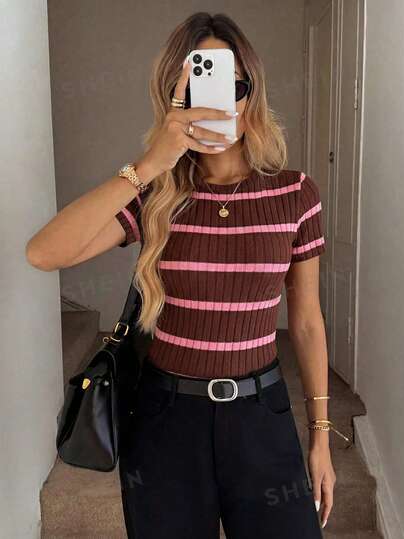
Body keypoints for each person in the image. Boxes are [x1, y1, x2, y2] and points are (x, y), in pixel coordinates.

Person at [26, 11, 338, 539]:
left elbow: (306, 321)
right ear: (173, 99)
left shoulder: (295, 194)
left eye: (232, 86)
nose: (217, 103)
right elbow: (44, 252)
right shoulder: (156, 195)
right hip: (165, 419)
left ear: (251, 94)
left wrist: (321, 436)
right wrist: (150, 165)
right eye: (195, 90)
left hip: (261, 417)